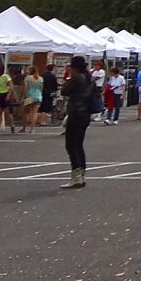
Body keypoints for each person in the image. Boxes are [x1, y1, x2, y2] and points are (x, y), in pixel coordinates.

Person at [59, 56, 94, 189]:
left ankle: (76, 176)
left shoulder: (76, 78)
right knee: (78, 144)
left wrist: (68, 78)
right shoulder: (88, 78)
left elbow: (64, 91)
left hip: (75, 113)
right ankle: (81, 173)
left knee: (71, 145)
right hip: (85, 113)